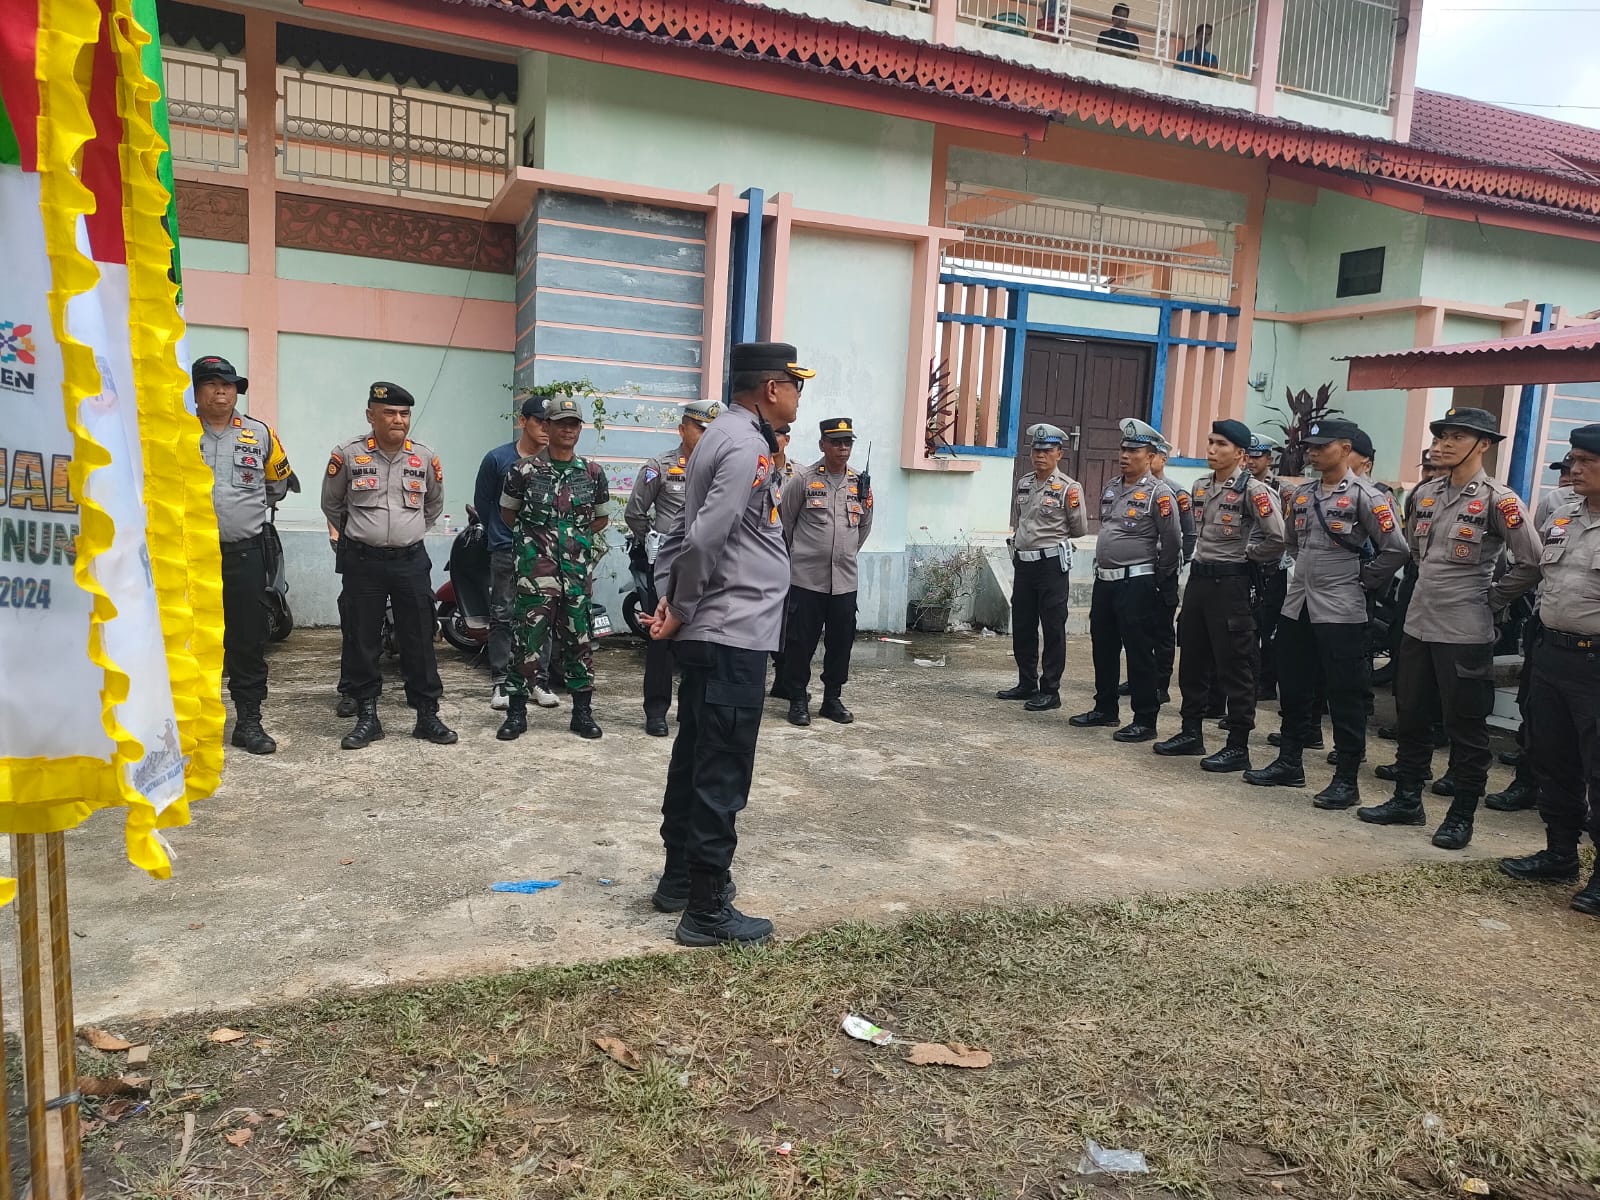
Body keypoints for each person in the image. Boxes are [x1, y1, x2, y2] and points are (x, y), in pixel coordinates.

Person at [646, 342, 809, 947]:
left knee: (694, 755)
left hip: (721, 627)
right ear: (771, 388)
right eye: (795, 385)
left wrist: (676, 603)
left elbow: (690, 534)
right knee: (721, 767)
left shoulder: (725, 436)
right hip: (731, 629)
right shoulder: (744, 444)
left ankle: (679, 881)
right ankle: (707, 907)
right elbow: (706, 535)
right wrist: (681, 606)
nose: (797, 398)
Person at [1357, 407, 1541, 849]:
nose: (1442, 444)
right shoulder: (1424, 494)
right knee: (1412, 715)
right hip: (1419, 622)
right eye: (1440, 435)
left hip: (1464, 630)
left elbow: (1531, 562)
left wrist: (1491, 600)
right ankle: (1407, 799)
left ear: (1484, 445)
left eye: (1457, 437)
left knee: (1465, 727)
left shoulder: (1501, 500)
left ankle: (1460, 816)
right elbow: (1421, 559)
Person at [1244, 420, 1407, 806]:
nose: (1313, 452)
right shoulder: (1302, 495)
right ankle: (1289, 762)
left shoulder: (1367, 496)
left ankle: (1346, 779)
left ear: (1345, 448)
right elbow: (1290, 542)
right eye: (1310, 447)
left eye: (1322, 446)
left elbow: (1396, 548)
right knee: (1295, 685)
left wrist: (1365, 580)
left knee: (1344, 693)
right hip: (1298, 602)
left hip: (1342, 607)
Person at [1499, 423, 1600, 917]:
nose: (1573, 469)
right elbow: (1538, 575)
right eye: (1572, 459)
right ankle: (1560, 852)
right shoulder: (1561, 517)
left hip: (1596, 663)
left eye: (1586, 461)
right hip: (1551, 654)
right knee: (1551, 757)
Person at [322, 382, 457, 749]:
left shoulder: (425, 457)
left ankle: (427, 715)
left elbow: (433, 505)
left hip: (410, 561)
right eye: (389, 413)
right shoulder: (348, 454)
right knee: (363, 639)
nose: (398, 420)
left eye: (404, 414)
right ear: (371, 416)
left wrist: (404, 533)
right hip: (362, 561)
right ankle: (368, 717)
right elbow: (332, 504)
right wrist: (363, 535)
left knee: (419, 638)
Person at [1153, 419, 1286, 770]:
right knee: (1193, 658)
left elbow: (1277, 538)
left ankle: (1238, 745)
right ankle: (1190, 731)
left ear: (1240, 453)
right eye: (1210, 442)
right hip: (1200, 581)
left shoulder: (1254, 491)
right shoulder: (1200, 486)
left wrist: (1247, 556)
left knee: (1236, 664)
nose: (1212, 449)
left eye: (1221, 444)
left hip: (1232, 584)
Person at [194, 355, 293, 755]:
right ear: (196, 390)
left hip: (244, 554)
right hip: (190, 557)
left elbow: (277, 487)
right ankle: (192, 726)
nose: (223, 391)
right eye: (213, 383)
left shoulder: (260, 433)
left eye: (230, 384)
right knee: (191, 640)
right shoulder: (175, 432)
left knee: (248, 639)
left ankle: (248, 721)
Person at [497, 396, 611, 741]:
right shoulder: (523, 471)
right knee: (525, 642)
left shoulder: (592, 473)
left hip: (575, 575)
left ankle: (582, 714)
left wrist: (572, 540)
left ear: (579, 429)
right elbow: (509, 514)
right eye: (560, 422)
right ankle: (516, 714)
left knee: (579, 641)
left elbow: (601, 518)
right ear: (546, 426)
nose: (567, 429)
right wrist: (540, 543)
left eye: (573, 424)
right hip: (535, 574)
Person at [1071, 418, 1181, 742]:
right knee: (1103, 646)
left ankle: (1145, 719)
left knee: (1138, 650)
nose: (1125, 455)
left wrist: (1160, 577)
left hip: (1137, 582)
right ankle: (1105, 708)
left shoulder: (1159, 494)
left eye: (1134, 450)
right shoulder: (1111, 487)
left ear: (1150, 456)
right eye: (1123, 449)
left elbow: (1173, 541)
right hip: (1105, 581)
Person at [625, 400, 721, 736]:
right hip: (668, 566)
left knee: (703, 636)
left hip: (709, 568)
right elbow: (635, 512)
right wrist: (652, 545)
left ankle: (694, 710)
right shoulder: (661, 466)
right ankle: (656, 710)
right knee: (661, 638)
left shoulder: (722, 467)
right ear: (683, 429)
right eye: (701, 429)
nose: (708, 436)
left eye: (713, 430)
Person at [777, 417, 875, 727]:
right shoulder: (803, 480)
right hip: (806, 579)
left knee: (841, 642)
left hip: (844, 581)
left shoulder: (860, 483)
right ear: (823, 445)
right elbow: (785, 523)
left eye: (848, 442)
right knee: (800, 642)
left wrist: (841, 554)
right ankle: (797, 699)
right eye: (836, 442)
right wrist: (803, 556)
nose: (843, 448)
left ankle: (832, 698)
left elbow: (864, 526)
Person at [997, 424, 1088, 712]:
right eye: (1036, 450)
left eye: (1047, 451)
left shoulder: (1069, 488)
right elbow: (1019, 518)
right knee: (1023, 625)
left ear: (1059, 453)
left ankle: (1051, 690)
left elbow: (1079, 527)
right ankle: (1027, 682)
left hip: (1051, 566)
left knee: (1052, 628)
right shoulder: (1024, 483)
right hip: (1024, 564)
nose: (1040, 456)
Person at [476, 396, 557, 714]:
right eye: (540, 422)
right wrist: (501, 536)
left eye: (551, 423)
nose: (546, 429)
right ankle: (501, 681)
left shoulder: (556, 461)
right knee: (503, 615)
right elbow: (484, 504)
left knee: (542, 616)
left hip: (545, 551)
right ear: (523, 422)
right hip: (507, 549)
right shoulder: (497, 459)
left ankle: (538, 680)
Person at [1141, 439, 1195, 703]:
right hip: (1140, 568)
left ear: (1162, 459)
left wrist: (1173, 565)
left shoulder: (1177, 492)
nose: (1146, 461)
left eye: (1151, 456)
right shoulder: (1134, 489)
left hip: (1165, 569)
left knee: (1162, 628)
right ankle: (1140, 678)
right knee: (1139, 627)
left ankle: (1161, 683)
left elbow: (1189, 534)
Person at [1245, 434, 1287, 701]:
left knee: (1268, 628)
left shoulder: (1282, 490)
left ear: (1269, 459)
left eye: (1256, 456)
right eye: (1247, 455)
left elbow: (1283, 534)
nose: (1250, 461)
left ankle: (1267, 682)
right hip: (1244, 568)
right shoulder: (1238, 487)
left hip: (1269, 568)